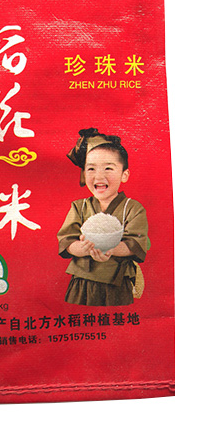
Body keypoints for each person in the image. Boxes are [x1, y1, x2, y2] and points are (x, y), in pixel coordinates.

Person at [57, 128, 149, 306]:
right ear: (84, 174)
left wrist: (110, 249)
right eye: (91, 169)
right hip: (82, 280)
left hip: (117, 281)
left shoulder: (132, 208)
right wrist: (83, 248)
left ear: (124, 175)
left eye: (108, 168)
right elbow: (66, 241)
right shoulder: (79, 207)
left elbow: (135, 244)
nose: (99, 176)